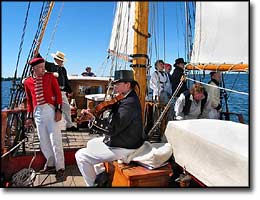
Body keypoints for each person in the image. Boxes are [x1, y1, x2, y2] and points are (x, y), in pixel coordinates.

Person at [75, 70, 145, 186]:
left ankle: (93, 186)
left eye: (118, 84)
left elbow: (112, 129)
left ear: (127, 85)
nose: (115, 87)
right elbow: (113, 121)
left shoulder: (129, 103)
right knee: (91, 144)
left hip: (126, 146)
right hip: (124, 139)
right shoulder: (125, 98)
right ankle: (101, 173)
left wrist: (93, 119)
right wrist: (94, 116)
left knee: (80, 156)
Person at [24, 57, 66, 181]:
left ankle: (60, 168)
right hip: (38, 113)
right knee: (43, 141)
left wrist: (58, 110)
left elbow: (58, 94)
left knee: (55, 140)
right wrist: (29, 116)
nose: (44, 69)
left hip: (50, 110)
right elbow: (29, 101)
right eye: (41, 67)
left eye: (43, 66)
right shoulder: (27, 82)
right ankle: (51, 163)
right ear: (34, 69)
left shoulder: (50, 77)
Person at [35, 50, 78, 131]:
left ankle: (69, 125)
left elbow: (66, 80)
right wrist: (37, 54)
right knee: (52, 109)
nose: (62, 62)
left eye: (62, 60)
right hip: (53, 92)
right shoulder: (50, 66)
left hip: (62, 92)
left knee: (67, 108)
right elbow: (42, 61)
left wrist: (69, 90)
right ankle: (51, 125)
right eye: (61, 60)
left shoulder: (63, 69)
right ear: (56, 59)